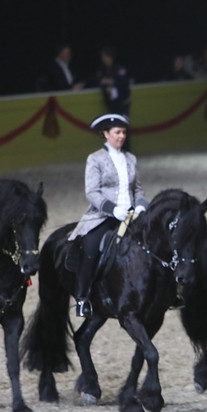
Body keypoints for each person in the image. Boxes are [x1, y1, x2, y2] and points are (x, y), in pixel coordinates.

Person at [67, 113, 149, 317]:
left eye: (123, 132)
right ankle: (82, 297)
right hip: (104, 216)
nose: (121, 136)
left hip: (131, 216)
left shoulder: (131, 158)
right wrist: (113, 209)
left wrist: (140, 206)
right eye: (117, 132)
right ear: (106, 134)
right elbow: (92, 192)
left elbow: (138, 189)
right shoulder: (95, 159)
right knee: (90, 248)